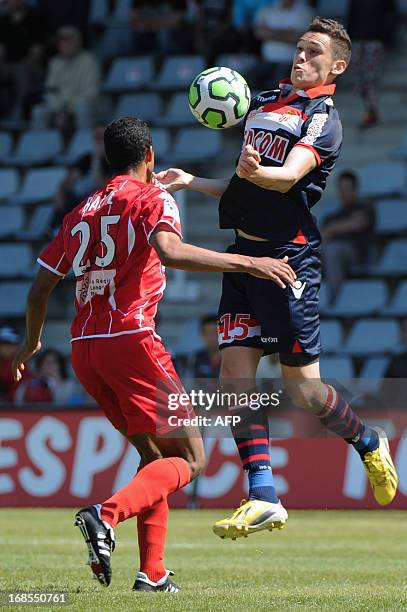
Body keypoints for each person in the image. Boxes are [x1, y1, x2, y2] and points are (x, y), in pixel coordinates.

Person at [12, 117, 295, 592]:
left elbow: (41, 288)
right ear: (150, 156)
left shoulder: (81, 212)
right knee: (192, 457)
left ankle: (153, 573)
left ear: (108, 160)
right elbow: (170, 251)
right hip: (132, 340)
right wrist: (252, 263)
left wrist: (31, 341)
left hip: (84, 350)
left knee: (154, 458)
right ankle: (105, 516)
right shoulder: (152, 197)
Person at [156, 17, 398, 541]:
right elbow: (244, 189)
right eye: (299, 49)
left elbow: (285, 177)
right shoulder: (265, 101)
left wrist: (253, 172)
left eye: (314, 53)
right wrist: (191, 181)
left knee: (304, 391)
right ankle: (263, 495)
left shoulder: (323, 119)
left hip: (289, 264)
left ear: (336, 66)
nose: (301, 58)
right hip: (244, 257)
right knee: (234, 381)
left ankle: (368, 442)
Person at [31, 25, 100, 132]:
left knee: (83, 108)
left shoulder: (89, 60)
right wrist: (59, 110)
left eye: (68, 40)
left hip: (80, 106)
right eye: (61, 41)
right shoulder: (55, 62)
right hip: (59, 108)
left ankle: (84, 142)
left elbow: (91, 93)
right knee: (38, 111)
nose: (64, 44)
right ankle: (40, 146)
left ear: (78, 42)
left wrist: (67, 110)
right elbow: (50, 91)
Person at [321, 170, 375, 297]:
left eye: (347, 188)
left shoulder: (365, 207)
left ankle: (335, 298)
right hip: (333, 252)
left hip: (358, 253)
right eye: (341, 189)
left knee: (332, 250)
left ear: (355, 188)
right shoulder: (333, 215)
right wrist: (342, 226)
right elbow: (322, 235)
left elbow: (358, 223)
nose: (343, 192)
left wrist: (333, 229)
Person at [347, 0, 398, 128]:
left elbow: (392, 18)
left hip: (375, 41)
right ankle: (369, 108)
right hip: (357, 40)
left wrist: (387, 40)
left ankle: (370, 110)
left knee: (371, 79)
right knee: (358, 78)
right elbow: (351, 17)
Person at [51, 123, 110, 231]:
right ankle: (56, 232)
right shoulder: (85, 159)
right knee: (68, 200)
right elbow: (68, 182)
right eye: (97, 137)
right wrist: (60, 192)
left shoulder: (115, 161)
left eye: (102, 137)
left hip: (99, 203)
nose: (99, 141)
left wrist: (97, 160)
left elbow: (102, 185)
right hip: (80, 201)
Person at [252, 0, 312, 89]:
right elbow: (259, 33)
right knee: (251, 78)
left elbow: (300, 37)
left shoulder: (305, 11)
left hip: (290, 63)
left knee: (276, 85)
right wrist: (287, 33)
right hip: (265, 61)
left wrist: (270, 32)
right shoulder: (267, 8)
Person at [14, 348, 82, 404]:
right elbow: (18, 402)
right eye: (45, 362)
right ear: (40, 365)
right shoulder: (28, 384)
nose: (49, 365)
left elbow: (65, 404)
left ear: (60, 366)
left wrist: (56, 381)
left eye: (53, 362)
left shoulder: (70, 385)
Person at [0, 325, 28, 402]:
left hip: (13, 407)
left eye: (11, 344)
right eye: (4, 344)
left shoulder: (22, 364)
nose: (7, 348)